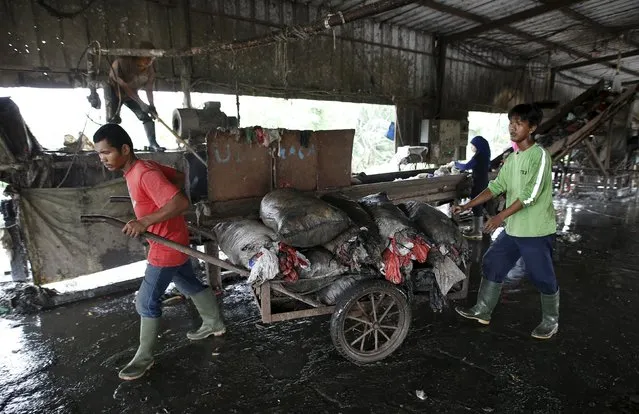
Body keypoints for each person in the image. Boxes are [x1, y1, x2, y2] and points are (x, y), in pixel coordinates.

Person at [93, 124, 225, 380]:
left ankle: (144, 358)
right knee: (187, 282)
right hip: (172, 239)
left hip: (166, 246)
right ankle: (214, 323)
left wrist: (144, 221)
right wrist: (153, 204)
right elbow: (177, 177)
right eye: (99, 154)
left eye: (106, 152)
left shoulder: (143, 173)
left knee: (145, 300)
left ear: (125, 149)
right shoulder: (139, 168)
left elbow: (180, 202)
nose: (103, 159)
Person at [453, 103, 559, 340]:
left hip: (536, 230)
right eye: (511, 122)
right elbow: (496, 187)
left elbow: (530, 195)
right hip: (514, 230)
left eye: (519, 122)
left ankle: (551, 320)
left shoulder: (539, 156)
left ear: (532, 127)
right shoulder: (512, 158)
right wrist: (467, 205)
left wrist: (500, 216)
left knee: (541, 275)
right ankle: (483, 310)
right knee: (493, 262)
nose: (513, 127)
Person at [105, 40, 165, 152]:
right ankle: (112, 147)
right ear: (138, 55)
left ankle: (153, 144)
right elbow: (124, 85)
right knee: (113, 119)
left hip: (131, 95)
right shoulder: (121, 62)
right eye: (146, 57)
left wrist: (151, 106)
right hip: (114, 92)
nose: (148, 61)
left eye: (151, 58)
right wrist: (142, 103)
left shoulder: (150, 70)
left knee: (146, 117)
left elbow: (149, 88)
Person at [451, 135, 491, 240]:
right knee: (479, 205)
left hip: (478, 183)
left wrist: (455, 164)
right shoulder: (485, 155)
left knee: (476, 205)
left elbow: (466, 166)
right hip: (484, 182)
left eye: (472, 145)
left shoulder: (478, 156)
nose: (471, 147)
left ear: (477, 146)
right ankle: (476, 229)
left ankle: (477, 232)